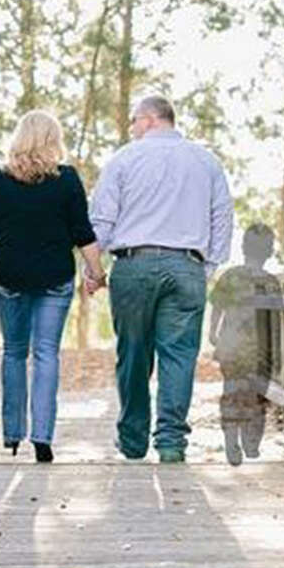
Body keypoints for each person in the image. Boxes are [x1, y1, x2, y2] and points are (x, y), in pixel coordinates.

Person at [89, 96, 234, 463]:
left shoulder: (123, 159)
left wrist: (91, 269)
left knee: (133, 353)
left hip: (133, 265)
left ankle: (134, 441)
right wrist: (206, 267)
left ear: (151, 120)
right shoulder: (206, 162)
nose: (132, 128)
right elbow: (222, 218)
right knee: (179, 355)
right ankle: (171, 443)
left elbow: (102, 221)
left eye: (134, 121)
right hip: (186, 266)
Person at [0, 110, 104, 463]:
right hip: (54, 280)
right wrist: (97, 272)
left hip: (12, 279)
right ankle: (42, 437)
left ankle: (12, 433)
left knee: (14, 353)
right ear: (52, 140)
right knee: (46, 353)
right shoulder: (67, 180)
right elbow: (83, 233)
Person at [209, 223, 281, 465]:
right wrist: (278, 351)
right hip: (261, 350)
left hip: (231, 346)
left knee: (231, 392)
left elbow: (217, 306)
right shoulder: (271, 282)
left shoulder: (230, 276)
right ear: (270, 251)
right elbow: (276, 320)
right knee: (258, 394)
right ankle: (251, 443)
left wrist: (212, 333)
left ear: (242, 248)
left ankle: (231, 439)